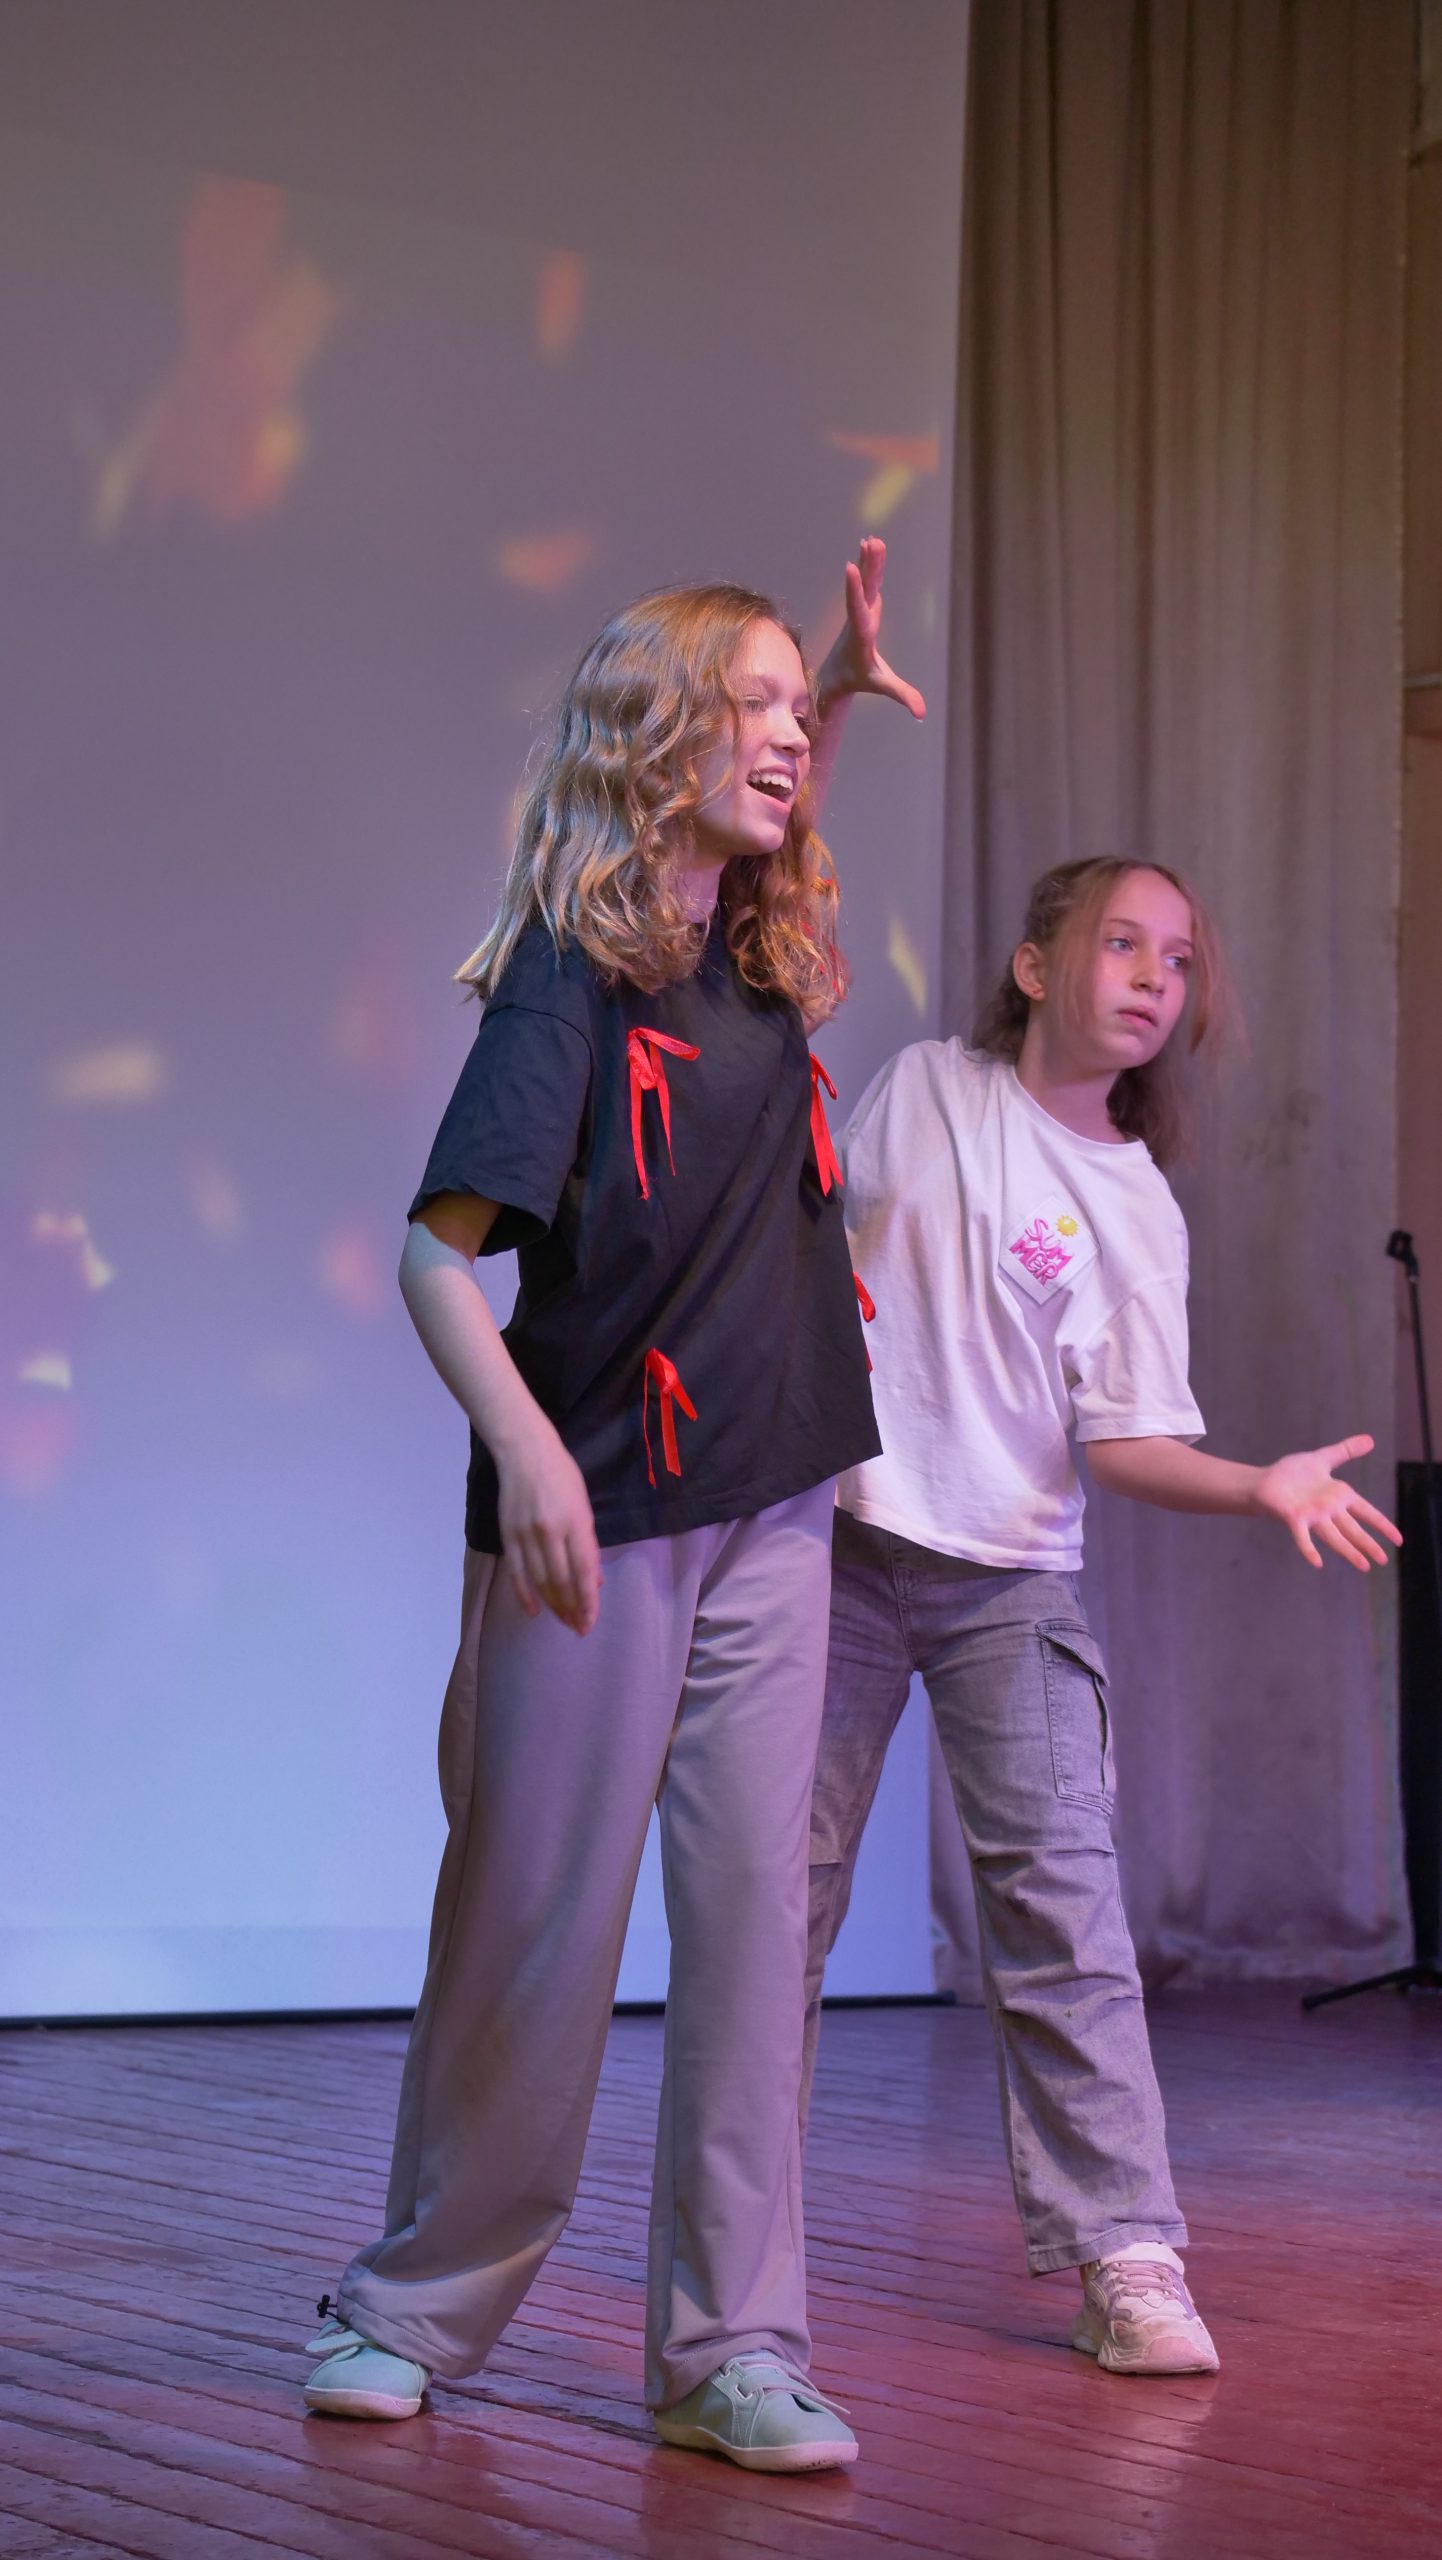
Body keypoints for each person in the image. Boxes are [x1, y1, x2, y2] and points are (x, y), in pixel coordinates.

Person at [304, 557, 913, 2472]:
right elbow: (434, 1260)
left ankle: (733, 2350)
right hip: (599, 1520)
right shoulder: (570, 977)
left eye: (794, 712)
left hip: (772, 1503)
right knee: (537, 1924)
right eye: (752, 706)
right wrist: (531, 1456)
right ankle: (408, 2307)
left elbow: (763, 811)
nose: (788, 739)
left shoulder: (757, 952)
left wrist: (827, 686)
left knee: (751, 1938)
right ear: (655, 739)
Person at [804, 853, 1401, 2376]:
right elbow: (809, 1261)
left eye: (1178, 960)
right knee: (773, 1901)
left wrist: (1258, 1482)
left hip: (1010, 1584)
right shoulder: (926, 1089)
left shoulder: (1137, 1208)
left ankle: (1126, 2258)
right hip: (836, 1552)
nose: (1153, 978)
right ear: (1033, 966)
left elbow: (1122, 1443)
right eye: (1123, 943)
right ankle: (731, 2240)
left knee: (1064, 1913)